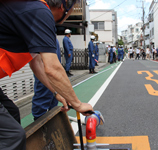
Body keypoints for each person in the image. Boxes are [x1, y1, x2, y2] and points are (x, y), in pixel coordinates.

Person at [0, 0, 93, 149]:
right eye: (71, 10)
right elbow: (52, 68)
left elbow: (37, 64)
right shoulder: (40, 12)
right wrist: (78, 104)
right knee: (13, 136)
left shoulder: (31, 11)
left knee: (12, 113)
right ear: (64, 7)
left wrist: (57, 93)